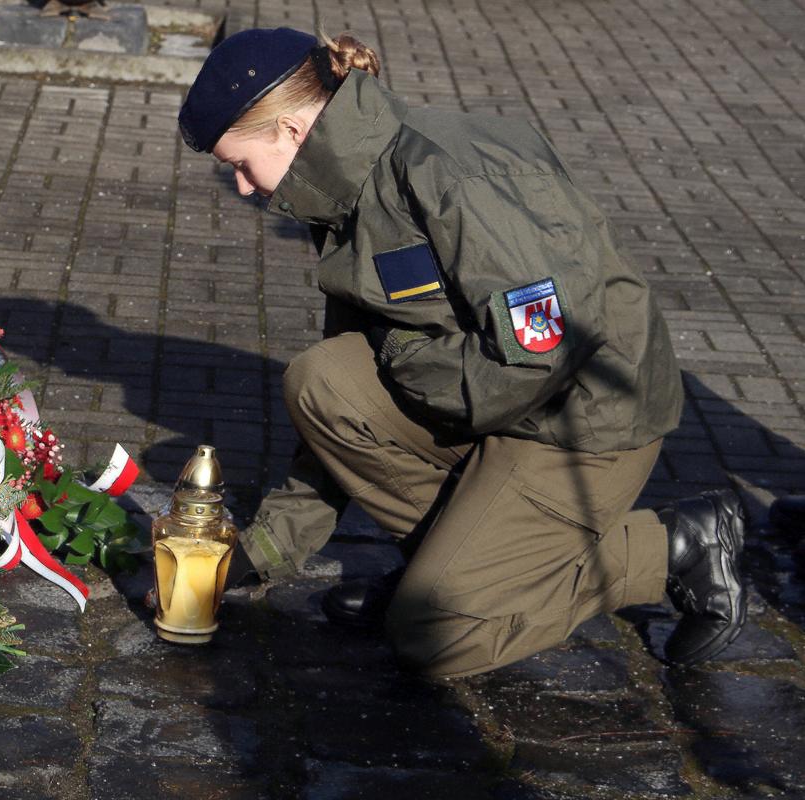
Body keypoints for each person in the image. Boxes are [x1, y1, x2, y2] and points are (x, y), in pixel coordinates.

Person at [177, 27, 747, 677]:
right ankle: (450, 568)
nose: (243, 188)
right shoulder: (345, 192)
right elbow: (347, 393)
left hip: (581, 422)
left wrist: (411, 365)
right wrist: (260, 552)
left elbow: (545, 348)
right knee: (323, 383)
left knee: (434, 635)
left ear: (290, 130)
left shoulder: (450, 175)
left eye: (240, 165)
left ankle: (674, 545)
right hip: (496, 405)